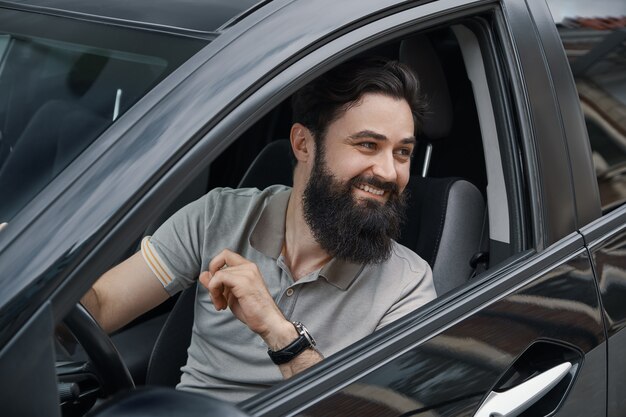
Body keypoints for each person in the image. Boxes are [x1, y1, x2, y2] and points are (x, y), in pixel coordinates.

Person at [81, 56, 437, 402]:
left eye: (402, 153)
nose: (390, 172)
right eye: (368, 145)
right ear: (304, 144)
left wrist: (277, 331)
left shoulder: (407, 285)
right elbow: (102, 306)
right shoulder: (217, 217)